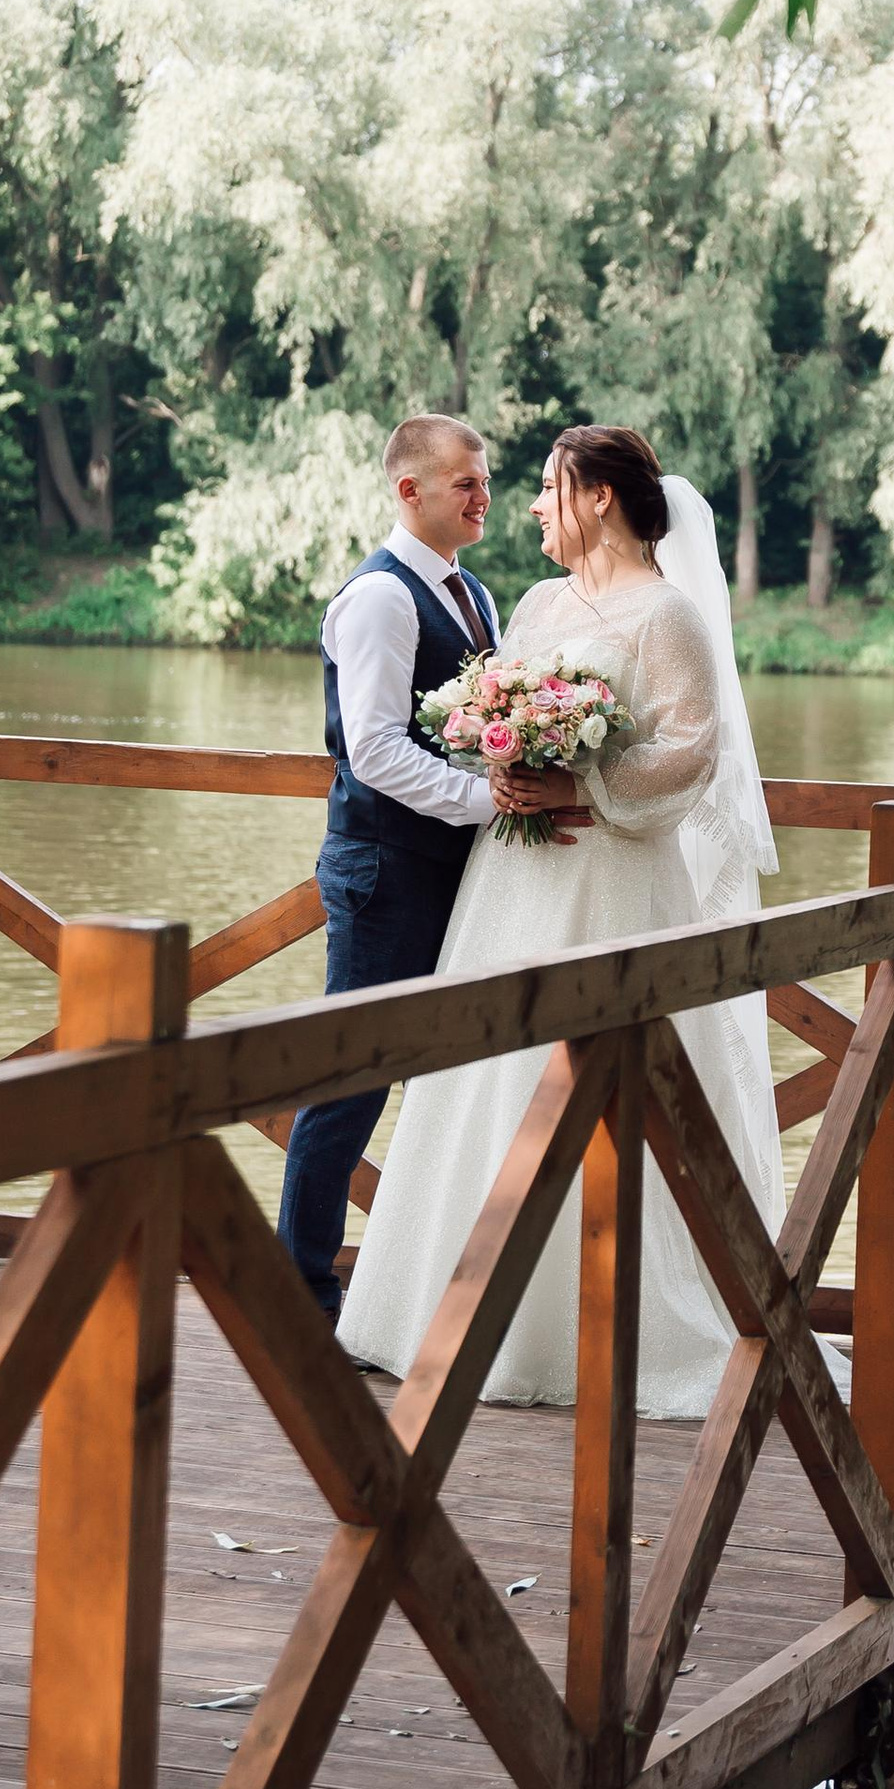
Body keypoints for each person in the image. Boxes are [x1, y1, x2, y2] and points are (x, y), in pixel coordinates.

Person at [338, 423, 785, 1415]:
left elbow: (691, 750)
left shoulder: (666, 615)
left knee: (600, 1082)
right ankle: (438, 1313)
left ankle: (590, 1328)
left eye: (547, 487)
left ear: (597, 497)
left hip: (609, 880)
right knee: (488, 1075)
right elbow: (488, 708)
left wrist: (589, 785)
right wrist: (499, 756)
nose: (534, 505)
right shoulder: (537, 603)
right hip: (514, 878)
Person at [279, 414, 582, 1321]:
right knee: (350, 1082)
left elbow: (450, 731)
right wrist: (491, 800)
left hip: (453, 871)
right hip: (384, 871)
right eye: (465, 483)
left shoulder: (474, 595)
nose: (485, 497)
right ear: (409, 491)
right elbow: (372, 750)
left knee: (456, 1084)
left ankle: (405, 1293)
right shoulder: (377, 598)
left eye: (486, 481)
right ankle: (299, 1299)